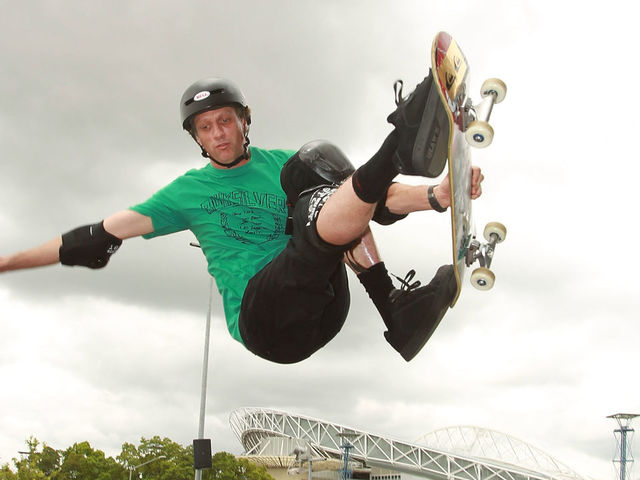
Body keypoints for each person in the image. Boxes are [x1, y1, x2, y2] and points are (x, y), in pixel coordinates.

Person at [0, 74, 484, 363]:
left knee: (320, 168)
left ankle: (395, 309)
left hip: (325, 310)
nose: (219, 134)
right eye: (206, 128)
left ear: (244, 120)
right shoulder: (186, 192)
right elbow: (91, 238)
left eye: (225, 121)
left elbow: (369, 202)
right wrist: (8, 263)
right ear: (197, 138)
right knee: (318, 212)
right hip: (264, 319)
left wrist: (438, 196)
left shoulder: (277, 164)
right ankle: (396, 147)